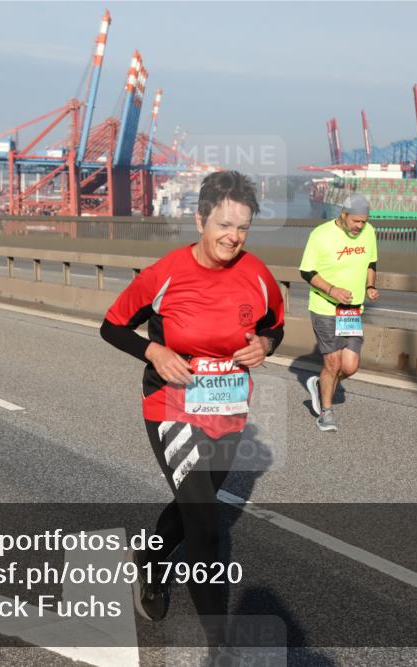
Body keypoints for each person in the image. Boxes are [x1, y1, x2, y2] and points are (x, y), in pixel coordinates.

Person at [100, 171, 284, 651]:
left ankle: (150, 561)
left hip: (227, 410)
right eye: (224, 224)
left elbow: (275, 327)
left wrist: (264, 344)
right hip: (171, 405)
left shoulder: (259, 276)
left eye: (242, 227)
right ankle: (217, 645)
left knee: (189, 509)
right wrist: (154, 353)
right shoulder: (164, 275)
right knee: (204, 521)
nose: (233, 237)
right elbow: (112, 326)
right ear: (200, 219)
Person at [299, 194, 379, 432]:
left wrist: (370, 287)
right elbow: (306, 272)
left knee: (350, 366)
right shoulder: (321, 234)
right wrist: (332, 290)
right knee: (332, 363)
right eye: (356, 221)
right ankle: (326, 412)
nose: (360, 226)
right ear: (342, 215)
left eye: (364, 221)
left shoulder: (369, 232)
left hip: (351, 312)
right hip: (324, 307)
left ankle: (320, 383)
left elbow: (371, 263)